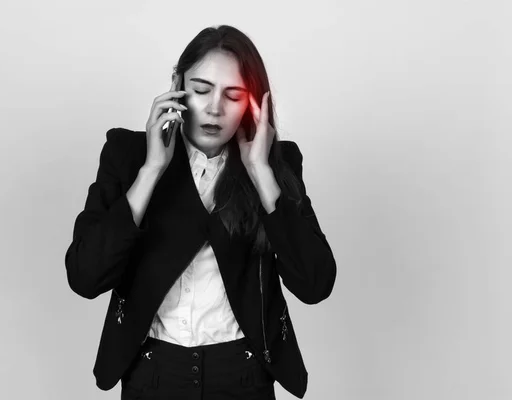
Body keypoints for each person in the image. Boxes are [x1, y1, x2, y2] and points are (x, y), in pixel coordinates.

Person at [64, 25, 337, 400]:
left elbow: (315, 284)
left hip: (244, 377)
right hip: (152, 374)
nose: (214, 108)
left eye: (234, 94)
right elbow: (85, 276)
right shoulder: (127, 155)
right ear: (177, 84)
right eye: (201, 89)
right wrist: (150, 171)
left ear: (254, 102)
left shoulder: (277, 164)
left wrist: (261, 172)